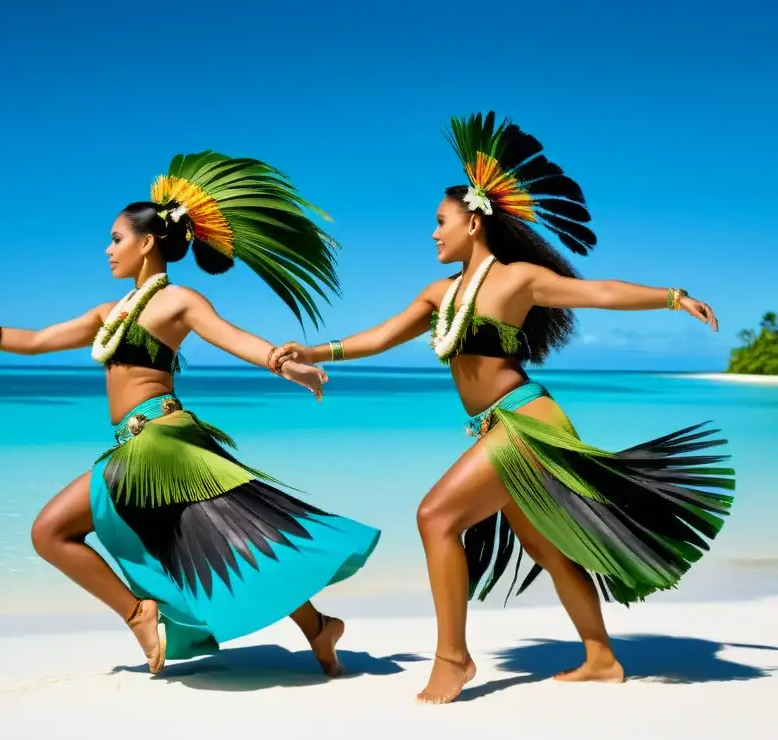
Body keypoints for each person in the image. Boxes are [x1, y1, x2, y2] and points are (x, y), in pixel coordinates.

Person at [269, 112, 735, 703]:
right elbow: (381, 337)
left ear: (473, 220)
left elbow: (598, 292)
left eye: (440, 222)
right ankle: (600, 658)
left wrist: (673, 297)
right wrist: (313, 349)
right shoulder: (440, 295)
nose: (433, 234)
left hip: (528, 420)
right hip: (492, 427)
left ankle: (453, 658)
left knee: (435, 516)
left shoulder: (516, 281)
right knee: (544, 546)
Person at [0, 151, 380, 677]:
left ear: (146, 243)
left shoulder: (178, 302)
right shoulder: (110, 313)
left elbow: (235, 339)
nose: (107, 249)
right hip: (134, 446)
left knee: (52, 532)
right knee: (226, 543)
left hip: (163, 443)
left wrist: (287, 364)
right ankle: (318, 628)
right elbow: (39, 340)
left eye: (116, 239)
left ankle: (140, 612)